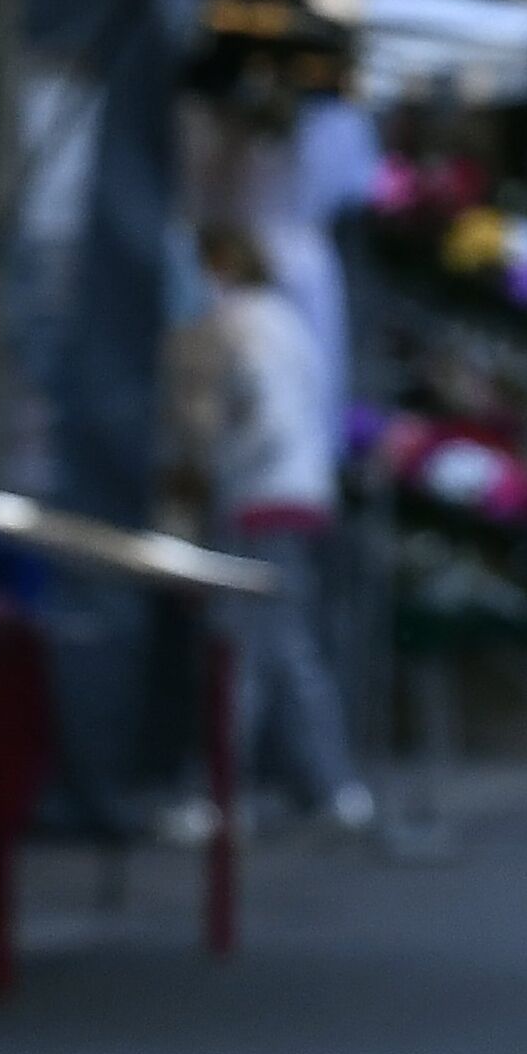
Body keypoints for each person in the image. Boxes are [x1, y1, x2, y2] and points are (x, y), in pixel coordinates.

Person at [164, 221, 373, 830]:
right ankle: (329, 787)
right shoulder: (288, 321)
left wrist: (214, 468)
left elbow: (256, 422)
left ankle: (225, 795)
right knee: (286, 650)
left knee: (240, 653)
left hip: (258, 502)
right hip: (300, 496)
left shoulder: (239, 324)